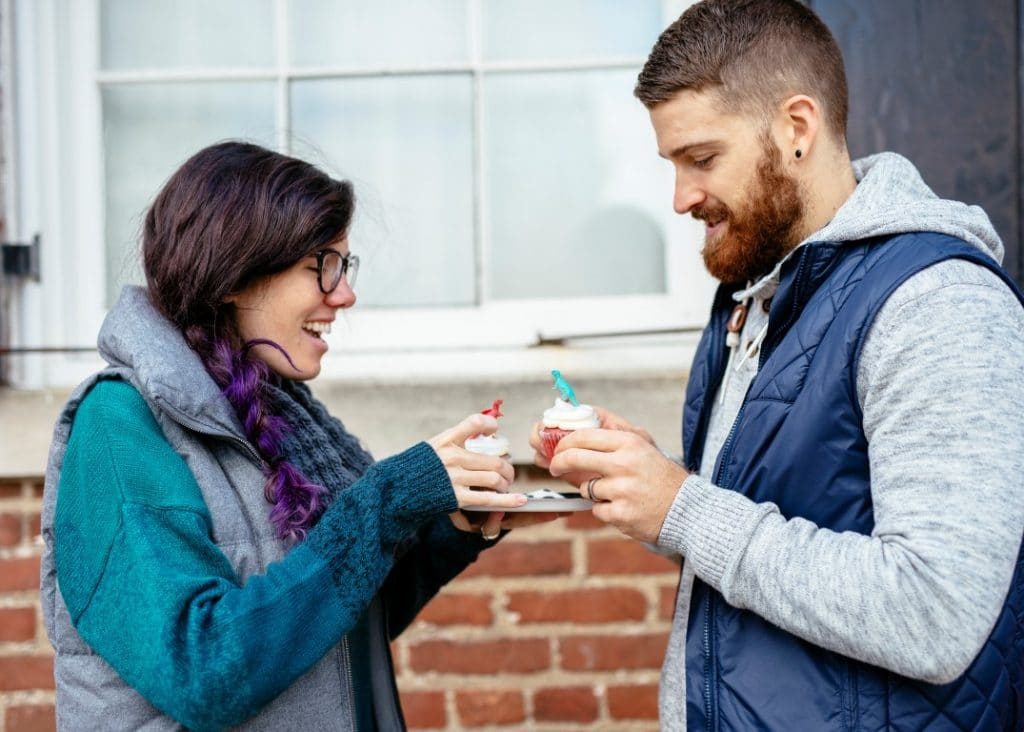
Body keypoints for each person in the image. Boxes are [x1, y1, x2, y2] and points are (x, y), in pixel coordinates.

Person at [531, 0, 1024, 729]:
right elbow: (764, 541)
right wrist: (646, 482)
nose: (680, 198)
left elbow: (935, 614)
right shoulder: (754, 295)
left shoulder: (937, 303)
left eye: (702, 159)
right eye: (672, 165)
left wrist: (683, 506)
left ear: (797, 128)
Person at [39, 141, 553, 730]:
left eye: (344, 266)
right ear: (234, 275)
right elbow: (203, 673)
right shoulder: (118, 429)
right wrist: (384, 502)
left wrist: (450, 532)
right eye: (323, 266)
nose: (345, 294)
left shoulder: (272, 412)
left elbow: (335, 638)